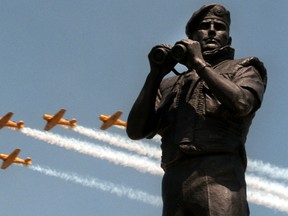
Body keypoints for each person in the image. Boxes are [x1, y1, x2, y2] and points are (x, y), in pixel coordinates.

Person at [126, 3, 267, 216]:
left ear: (228, 39)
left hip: (219, 174)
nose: (211, 30)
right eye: (204, 26)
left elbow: (242, 103)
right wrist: (155, 75)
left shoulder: (245, 67)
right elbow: (136, 131)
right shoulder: (168, 84)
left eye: (219, 27)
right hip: (174, 179)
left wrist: (199, 63)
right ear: (191, 37)